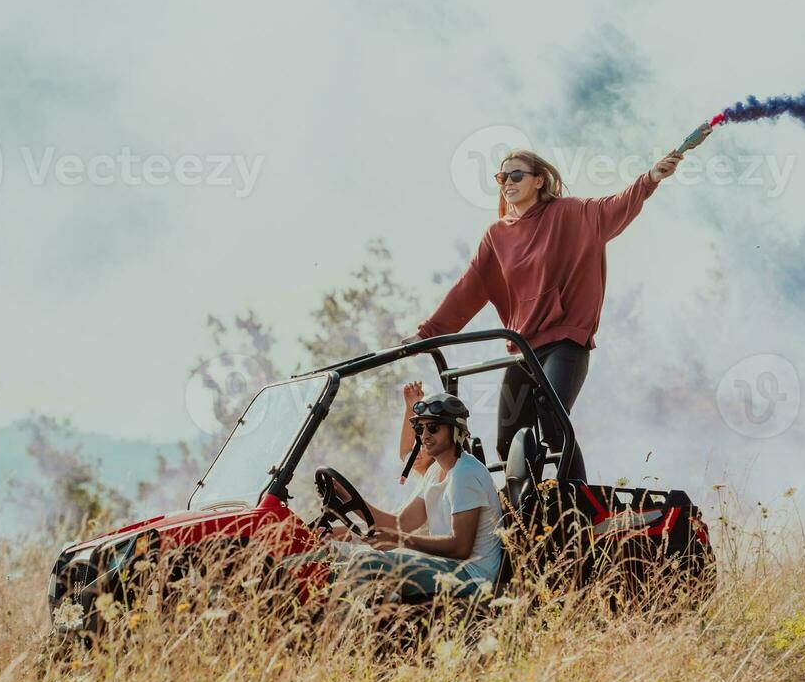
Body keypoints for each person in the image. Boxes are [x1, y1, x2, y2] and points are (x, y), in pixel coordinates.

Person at [407, 147, 684, 480]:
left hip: (565, 341)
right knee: (508, 441)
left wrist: (650, 179)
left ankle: (580, 508)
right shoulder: (497, 235)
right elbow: (468, 287)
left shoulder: (569, 213)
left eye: (516, 175)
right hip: (523, 349)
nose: (507, 182)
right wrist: (427, 334)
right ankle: (528, 520)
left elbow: (612, 208)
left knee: (553, 419)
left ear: (538, 180)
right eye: (502, 176)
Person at [290, 392, 503, 602]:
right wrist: (345, 497)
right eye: (420, 429)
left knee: (367, 561)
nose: (425, 435)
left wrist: (399, 539)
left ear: (456, 430)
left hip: (472, 578)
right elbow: (399, 523)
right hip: (445, 567)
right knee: (340, 562)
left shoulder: (465, 474)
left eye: (433, 427)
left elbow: (460, 547)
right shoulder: (434, 472)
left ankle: (336, 627)